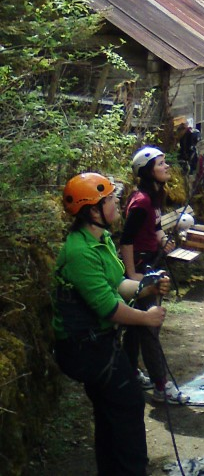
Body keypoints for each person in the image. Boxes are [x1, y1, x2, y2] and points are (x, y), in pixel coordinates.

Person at [52, 172, 170, 476]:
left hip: (97, 342)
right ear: (93, 211)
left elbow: (118, 285)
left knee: (109, 413)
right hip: (84, 349)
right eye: (110, 200)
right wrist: (145, 317)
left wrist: (148, 286)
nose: (117, 202)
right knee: (128, 405)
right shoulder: (80, 253)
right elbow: (109, 308)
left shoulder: (100, 239)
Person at [120, 146, 189, 404]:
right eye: (161, 163)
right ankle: (161, 385)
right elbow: (126, 240)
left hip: (149, 261)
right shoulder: (141, 202)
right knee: (149, 324)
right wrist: (132, 275)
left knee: (137, 326)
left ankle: (129, 372)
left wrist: (161, 242)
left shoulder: (155, 196)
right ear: (149, 171)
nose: (167, 166)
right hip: (140, 266)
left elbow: (156, 227)